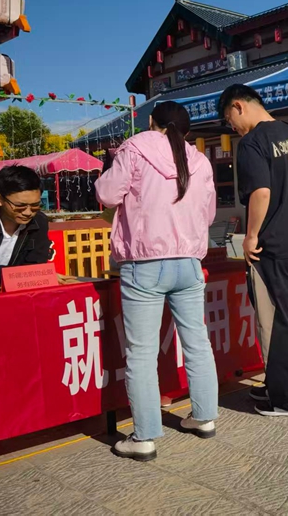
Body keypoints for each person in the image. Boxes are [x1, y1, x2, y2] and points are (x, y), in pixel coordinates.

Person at [95, 101, 218, 462]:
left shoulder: (135, 148)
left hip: (145, 263)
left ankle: (145, 437)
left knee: (142, 352)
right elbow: (209, 213)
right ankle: (204, 417)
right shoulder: (200, 160)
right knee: (197, 342)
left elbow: (106, 195)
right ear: (187, 130)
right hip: (189, 261)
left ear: (151, 122)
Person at [218, 84, 288, 416]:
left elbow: (261, 192)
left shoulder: (253, 142)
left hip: (273, 245)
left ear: (238, 106)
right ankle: (279, 385)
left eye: (229, 119)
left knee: (275, 321)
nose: (232, 127)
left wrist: (250, 236)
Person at [0, 166, 51, 279]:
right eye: (20, 206)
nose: (28, 212)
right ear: (0, 200)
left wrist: (40, 274)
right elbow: (31, 273)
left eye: (35, 205)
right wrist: (23, 274)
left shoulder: (39, 222)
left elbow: (36, 264)